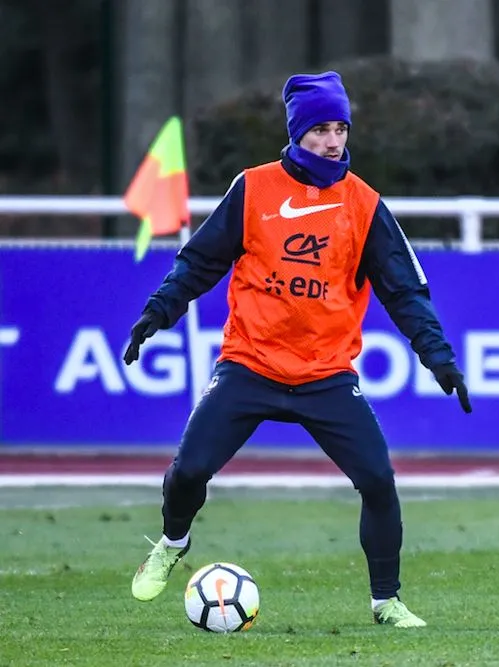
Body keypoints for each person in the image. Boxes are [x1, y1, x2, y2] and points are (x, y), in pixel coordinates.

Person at [124, 71, 471, 628]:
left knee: (379, 481)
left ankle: (386, 602)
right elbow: (199, 262)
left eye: (341, 128)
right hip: (250, 364)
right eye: (321, 131)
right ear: (297, 133)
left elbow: (405, 290)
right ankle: (172, 541)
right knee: (188, 471)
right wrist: (156, 312)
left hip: (326, 374)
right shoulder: (254, 188)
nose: (334, 141)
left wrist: (439, 357)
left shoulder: (364, 204)